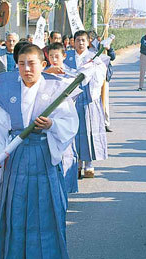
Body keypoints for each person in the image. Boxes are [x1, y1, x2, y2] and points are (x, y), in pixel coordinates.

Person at [0, 44, 78, 259]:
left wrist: (52, 124)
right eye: (21, 64)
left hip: (44, 154)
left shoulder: (57, 90)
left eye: (32, 63)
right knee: (15, 212)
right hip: (16, 155)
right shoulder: (6, 92)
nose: (26, 69)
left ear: (43, 65)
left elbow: (70, 124)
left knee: (47, 213)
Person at [64, 30, 108, 178]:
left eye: (83, 40)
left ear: (88, 42)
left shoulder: (94, 57)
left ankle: (89, 164)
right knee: (73, 132)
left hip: (88, 97)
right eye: (78, 40)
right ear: (73, 42)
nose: (81, 43)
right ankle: (75, 164)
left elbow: (102, 74)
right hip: (72, 99)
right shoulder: (67, 57)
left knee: (88, 130)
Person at [44, 42, 79, 194]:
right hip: (49, 118)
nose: (54, 59)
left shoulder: (72, 74)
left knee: (67, 152)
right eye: (51, 56)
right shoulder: (44, 73)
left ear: (64, 56)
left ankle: (65, 187)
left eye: (56, 56)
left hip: (65, 116)